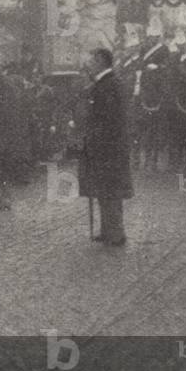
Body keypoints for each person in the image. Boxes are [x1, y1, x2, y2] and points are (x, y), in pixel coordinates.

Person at [79, 48, 134, 246]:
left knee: (110, 191)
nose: (90, 64)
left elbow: (108, 120)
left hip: (107, 148)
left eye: (92, 60)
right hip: (108, 147)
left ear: (101, 61)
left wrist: (95, 139)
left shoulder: (107, 85)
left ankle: (116, 234)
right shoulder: (105, 84)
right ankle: (108, 230)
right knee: (104, 190)